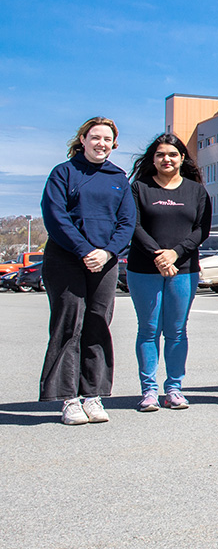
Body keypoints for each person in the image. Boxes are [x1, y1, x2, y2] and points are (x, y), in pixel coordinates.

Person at [39, 117, 136, 425]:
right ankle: (68, 399)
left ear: (114, 145)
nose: (101, 143)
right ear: (82, 139)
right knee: (70, 325)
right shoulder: (64, 173)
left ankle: (92, 395)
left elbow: (126, 222)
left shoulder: (118, 178)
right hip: (66, 259)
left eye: (107, 139)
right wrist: (84, 250)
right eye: (95, 137)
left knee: (97, 324)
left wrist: (107, 252)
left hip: (104, 262)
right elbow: (56, 216)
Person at [127, 133, 213, 412]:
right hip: (144, 269)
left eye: (173, 154)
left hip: (184, 269)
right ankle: (149, 391)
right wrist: (159, 255)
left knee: (176, 331)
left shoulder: (196, 191)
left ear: (182, 159)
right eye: (161, 154)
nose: (167, 159)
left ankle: (174, 388)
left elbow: (202, 229)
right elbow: (133, 226)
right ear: (153, 159)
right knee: (149, 329)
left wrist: (175, 253)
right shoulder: (139, 189)